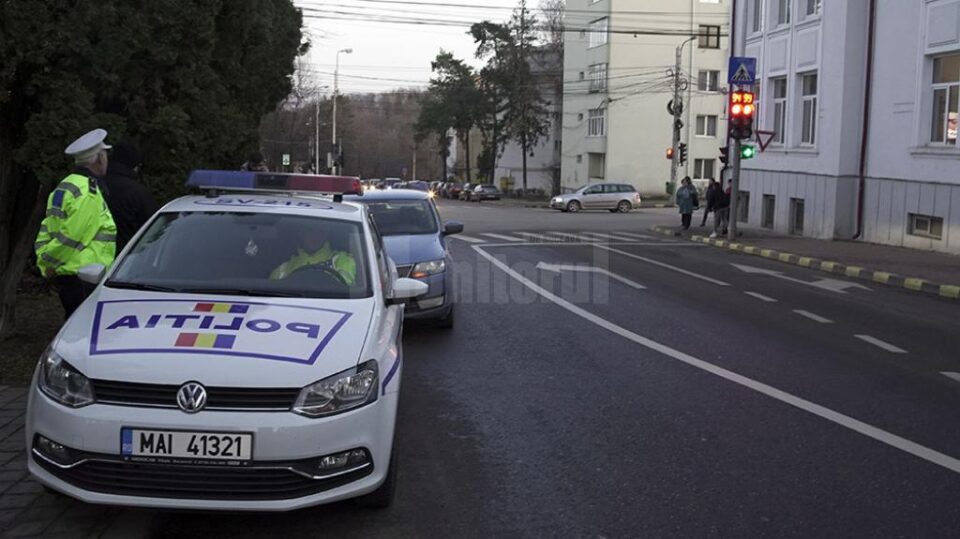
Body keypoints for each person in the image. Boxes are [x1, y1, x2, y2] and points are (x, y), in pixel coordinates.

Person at [35, 128, 118, 318]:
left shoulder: (64, 186)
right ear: (99, 158)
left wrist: (45, 260)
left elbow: (47, 229)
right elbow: (73, 236)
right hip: (85, 277)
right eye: (104, 154)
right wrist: (50, 264)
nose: (106, 159)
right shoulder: (88, 192)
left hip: (71, 276)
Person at [102, 139, 159, 252]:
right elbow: (155, 232)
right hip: (128, 260)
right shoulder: (138, 193)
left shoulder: (94, 185)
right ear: (135, 165)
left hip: (95, 258)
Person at [270, 231, 357, 285]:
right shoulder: (285, 268)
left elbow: (346, 286)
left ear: (326, 234)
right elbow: (270, 292)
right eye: (309, 230)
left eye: (320, 231)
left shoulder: (342, 260)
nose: (315, 235)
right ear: (301, 234)